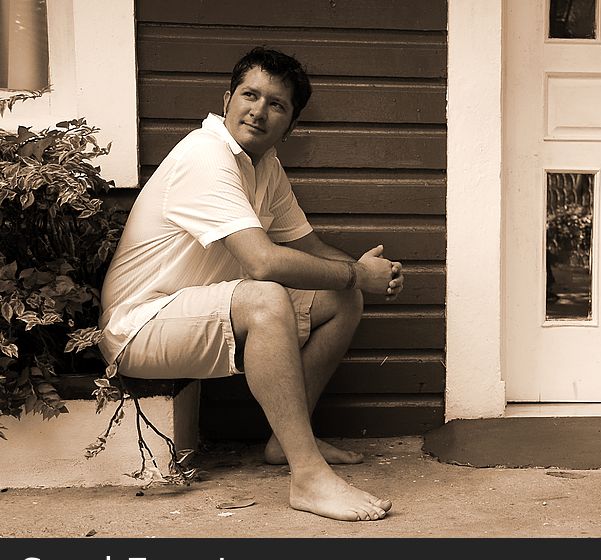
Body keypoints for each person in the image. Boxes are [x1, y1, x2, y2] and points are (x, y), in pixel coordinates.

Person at [98, 47, 403, 522]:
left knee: (342, 297)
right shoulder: (206, 154)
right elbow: (262, 263)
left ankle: (285, 440)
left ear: (291, 124)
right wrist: (355, 272)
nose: (259, 111)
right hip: (138, 326)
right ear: (227, 100)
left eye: (276, 104)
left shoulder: (264, 165)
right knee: (267, 297)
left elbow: (309, 246)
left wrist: (361, 273)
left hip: (189, 312)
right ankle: (308, 477)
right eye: (250, 95)